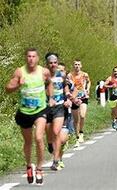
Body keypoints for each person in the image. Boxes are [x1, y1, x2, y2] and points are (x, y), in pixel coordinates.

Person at [5, 48, 55, 185]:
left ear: (37, 58)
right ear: (26, 58)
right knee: (28, 142)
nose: (31, 59)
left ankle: (39, 169)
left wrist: (50, 98)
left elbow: (50, 83)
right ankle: (29, 165)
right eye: (29, 56)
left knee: (39, 137)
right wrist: (16, 86)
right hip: (25, 111)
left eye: (33, 56)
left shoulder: (44, 71)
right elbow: (7, 88)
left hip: (40, 110)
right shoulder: (20, 72)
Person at [67, 59, 91, 147]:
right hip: (74, 98)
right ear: (73, 66)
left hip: (83, 97)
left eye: (78, 64)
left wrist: (87, 89)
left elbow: (89, 82)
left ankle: (81, 132)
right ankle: (77, 137)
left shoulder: (85, 75)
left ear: (81, 66)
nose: (77, 66)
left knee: (82, 115)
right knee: (76, 120)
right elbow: (67, 85)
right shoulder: (69, 75)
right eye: (75, 64)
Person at [105, 67, 117, 131]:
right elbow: (104, 85)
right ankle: (113, 120)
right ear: (113, 72)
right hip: (112, 98)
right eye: (115, 71)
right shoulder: (110, 78)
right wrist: (111, 86)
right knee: (113, 112)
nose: (116, 73)